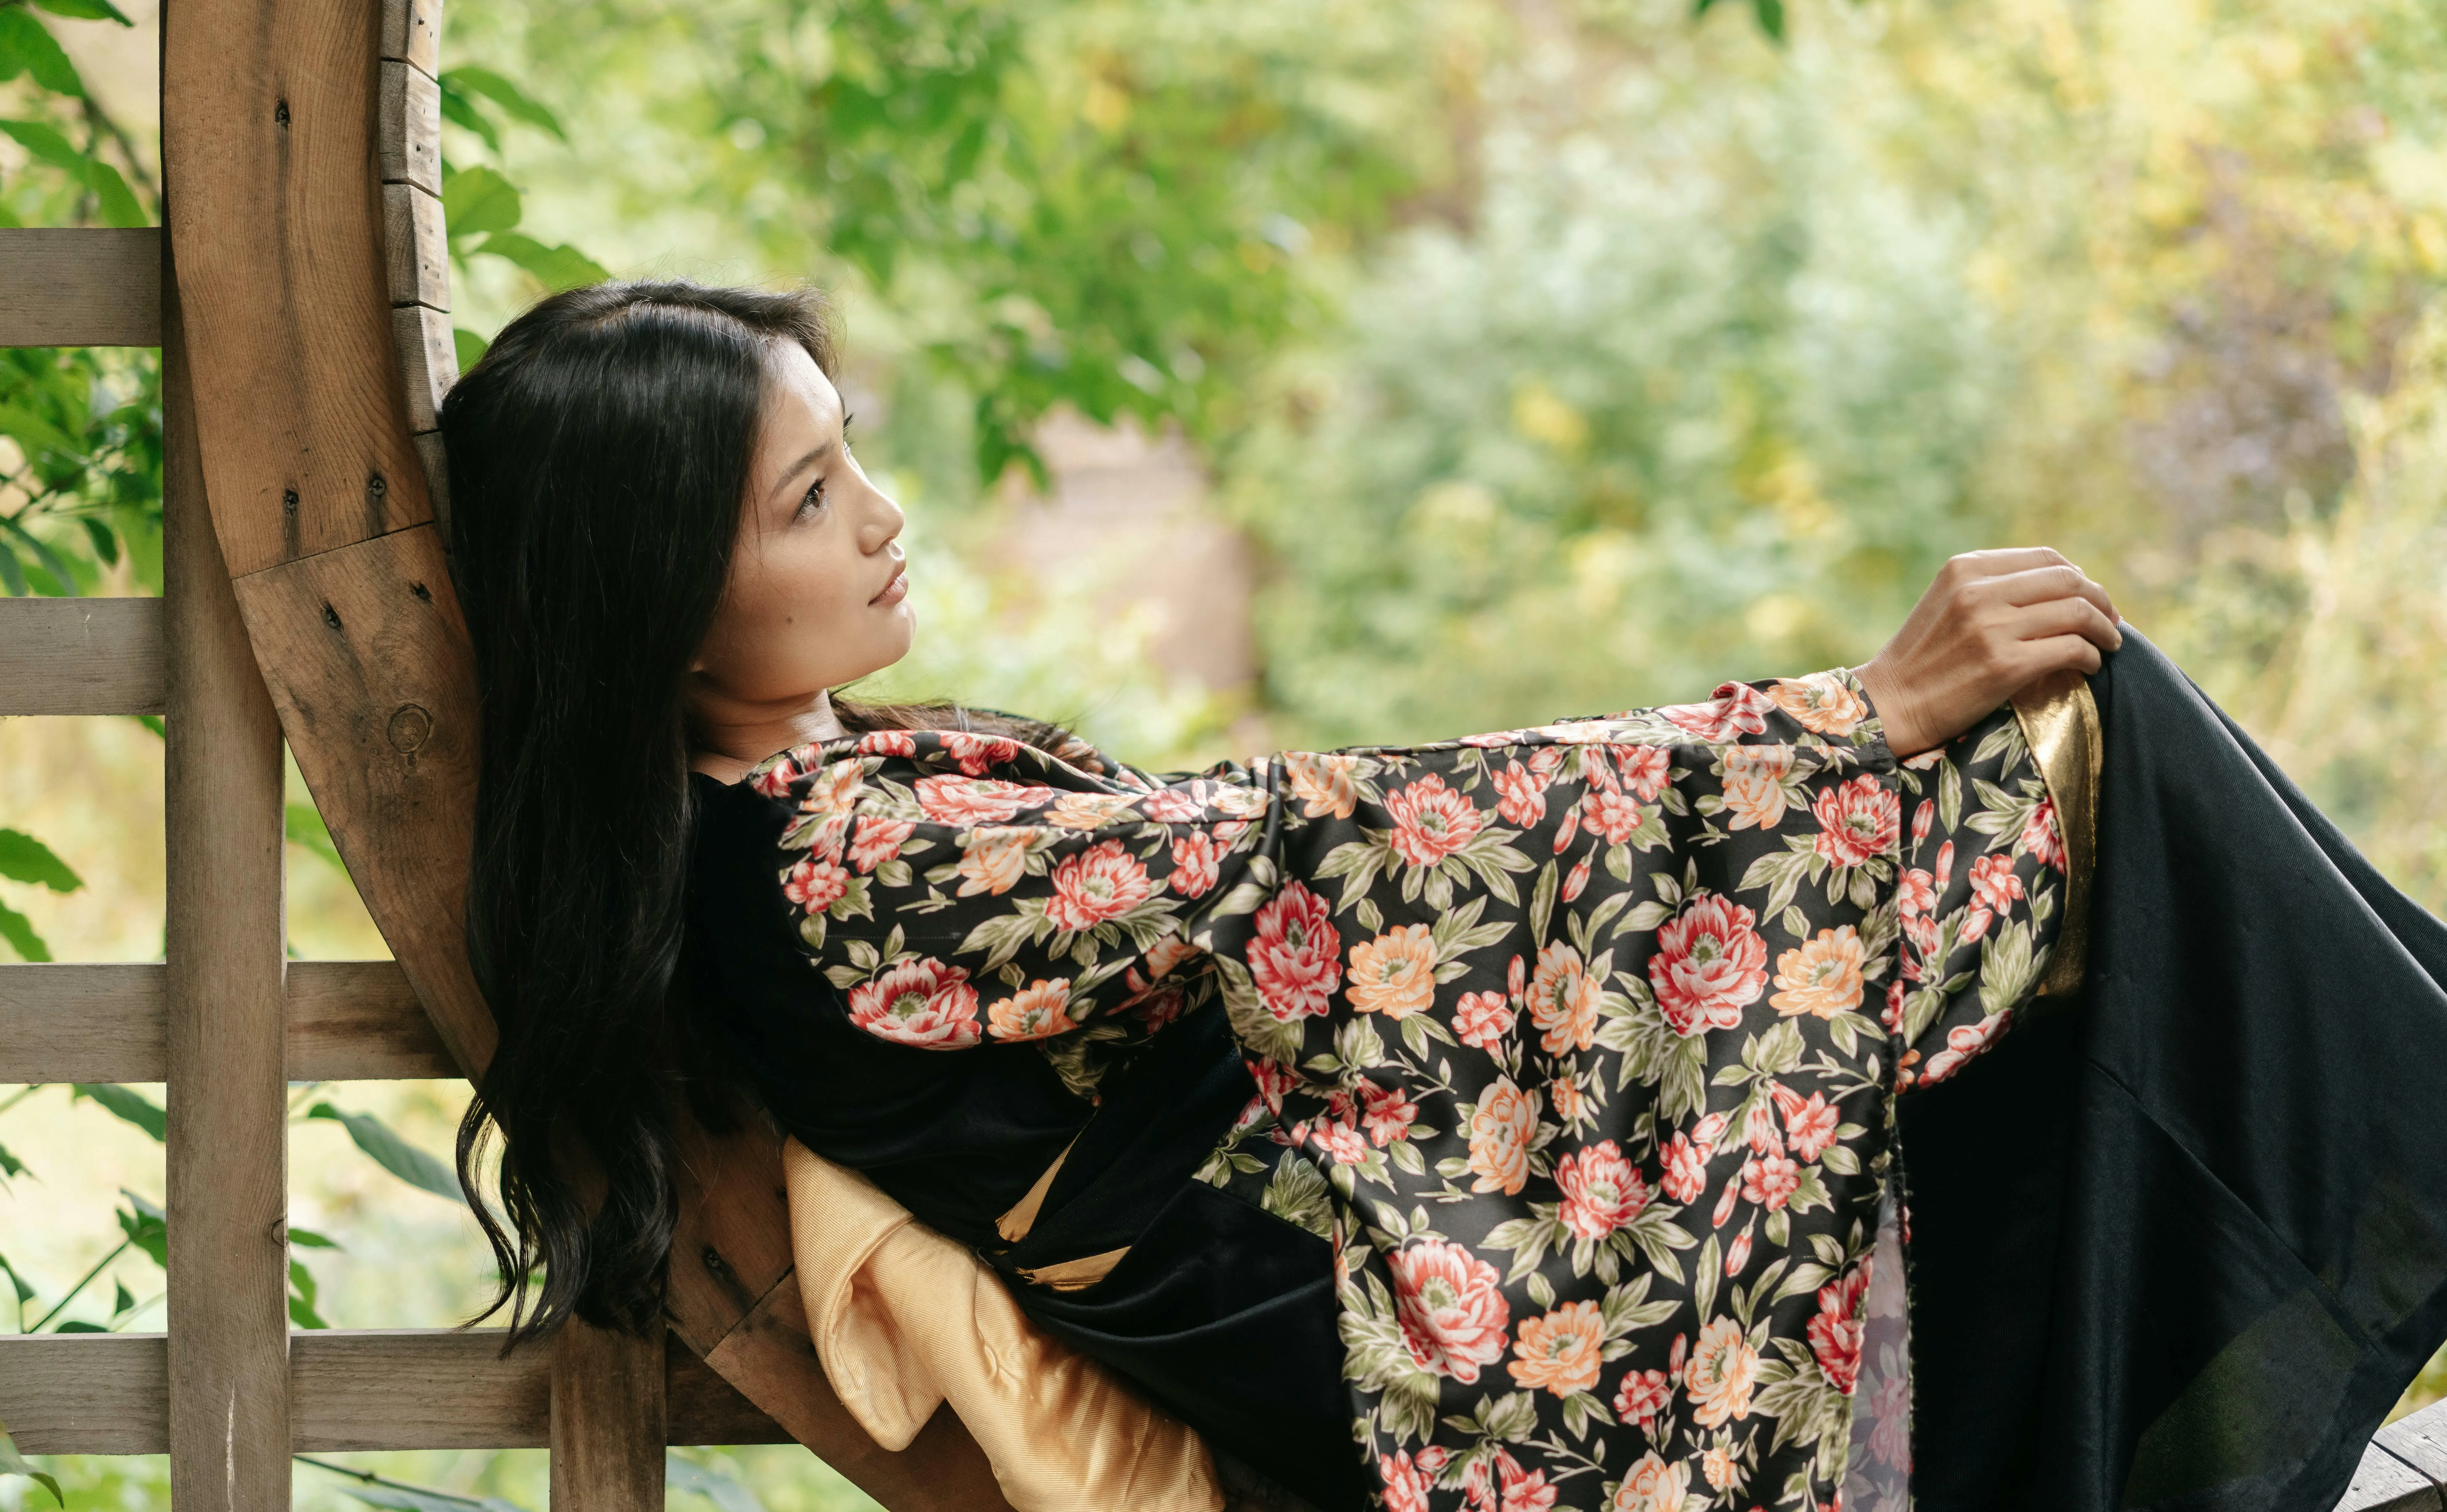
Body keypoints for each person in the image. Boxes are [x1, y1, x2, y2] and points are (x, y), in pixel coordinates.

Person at [439, 280, 2447, 1512]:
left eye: (847, 452)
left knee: (2022, 801)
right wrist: (1845, 713)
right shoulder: (838, 868)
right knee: (2019, 769)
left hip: (1420, 1214)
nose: (882, 517)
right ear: (650, 599)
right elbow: (1326, 852)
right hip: (1438, 1344)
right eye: (805, 503)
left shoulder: (816, 784)